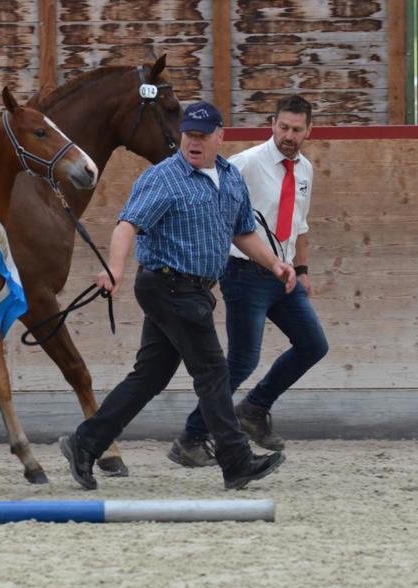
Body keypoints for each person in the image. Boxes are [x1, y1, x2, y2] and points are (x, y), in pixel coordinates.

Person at [58, 101, 295, 491]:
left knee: (149, 376)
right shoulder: (164, 178)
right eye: (189, 135)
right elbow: (127, 225)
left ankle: (85, 444)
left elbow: (243, 232)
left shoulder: (231, 178)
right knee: (213, 372)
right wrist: (115, 268)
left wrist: (275, 264)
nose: (194, 142)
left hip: (193, 290)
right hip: (167, 285)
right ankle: (236, 461)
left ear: (221, 137)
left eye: (203, 135)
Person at [168, 95, 329, 468]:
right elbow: (210, 202)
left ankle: (255, 408)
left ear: (309, 130)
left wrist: (301, 271)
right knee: (242, 359)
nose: (289, 135)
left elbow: (300, 224)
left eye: (297, 129)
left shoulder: (304, 170)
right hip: (244, 271)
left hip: (283, 274)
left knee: (313, 345)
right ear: (272, 124)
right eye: (283, 127)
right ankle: (191, 437)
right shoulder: (245, 164)